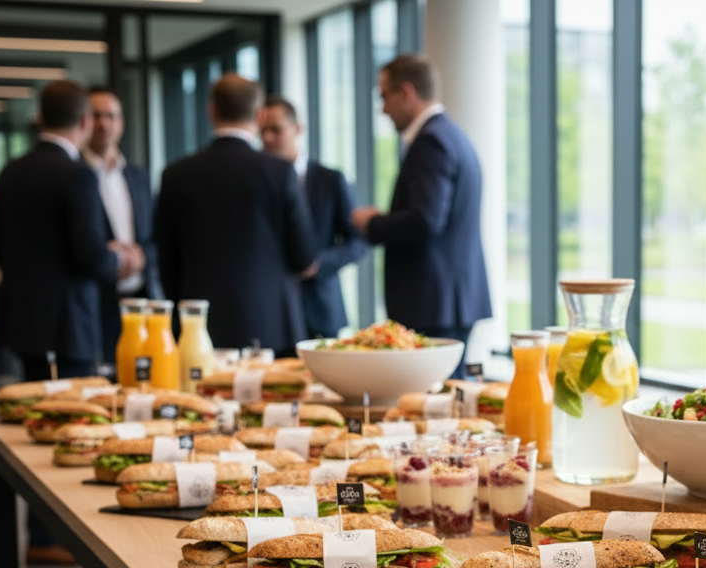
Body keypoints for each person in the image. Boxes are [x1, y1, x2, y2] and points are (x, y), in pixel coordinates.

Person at [0, 79, 143, 565]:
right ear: (82, 122)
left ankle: (39, 533)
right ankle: (54, 537)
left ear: (40, 117)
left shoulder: (10, 172)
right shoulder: (75, 175)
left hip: (25, 320)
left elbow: (0, 248)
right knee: (73, 429)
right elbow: (87, 255)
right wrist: (119, 259)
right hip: (68, 324)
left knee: (36, 427)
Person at [155, 73, 317, 355]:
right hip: (271, 325)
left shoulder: (176, 175)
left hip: (199, 327)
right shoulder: (278, 172)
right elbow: (304, 256)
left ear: (212, 111)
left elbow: (166, 261)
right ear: (260, 114)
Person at [351, 53, 491, 370]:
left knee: (433, 407)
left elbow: (424, 221)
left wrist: (372, 223)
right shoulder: (451, 134)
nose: (382, 108)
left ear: (407, 92)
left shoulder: (431, 142)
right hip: (447, 300)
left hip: (434, 303)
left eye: (385, 96)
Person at [259, 94, 366, 339]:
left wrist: (318, 265)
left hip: (321, 306)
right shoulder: (256, 183)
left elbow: (358, 242)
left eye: (275, 130)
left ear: (298, 129)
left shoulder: (331, 180)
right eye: (262, 131)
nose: (267, 138)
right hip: (271, 311)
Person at [84, 86, 161, 364]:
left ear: (121, 123)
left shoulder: (138, 176)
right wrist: (109, 258)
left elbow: (155, 238)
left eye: (111, 116)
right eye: (96, 116)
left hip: (141, 299)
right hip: (96, 302)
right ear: (83, 121)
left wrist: (139, 257)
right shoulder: (75, 175)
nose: (104, 123)